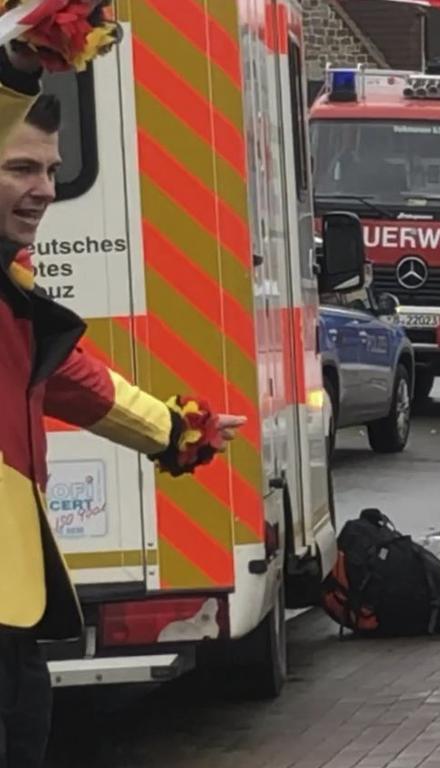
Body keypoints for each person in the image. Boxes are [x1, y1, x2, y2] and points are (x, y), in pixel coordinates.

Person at [0, 47, 243, 767]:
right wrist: (17, 65)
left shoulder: (12, 297)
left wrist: (175, 431)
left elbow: (74, 379)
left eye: (49, 170)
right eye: (20, 168)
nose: (45, 190)